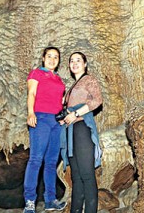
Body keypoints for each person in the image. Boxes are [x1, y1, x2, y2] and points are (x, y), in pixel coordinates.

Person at [23, 47, 67, 213]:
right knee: (36, 159)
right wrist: (30, 113)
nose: (52, 59)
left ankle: (50, 200)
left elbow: (60, 101)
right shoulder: (36, 73)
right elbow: (32, 93)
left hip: (56, 122)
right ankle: (29, 201)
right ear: (43, 58)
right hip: (40, 118)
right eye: (49, 56)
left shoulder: (58, 79)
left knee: (51, 162)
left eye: (56, 57)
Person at [60, 52, 103, 213]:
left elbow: (97, 100)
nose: (75, 63)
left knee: (87, 175)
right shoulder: (72, 86)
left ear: (85, 64)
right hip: (71, 131)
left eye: (78, 60)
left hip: (83, 128)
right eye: (72, 61)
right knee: (76, 178)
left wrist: (76, 114)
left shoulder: (88, 80)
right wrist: (64, 118)